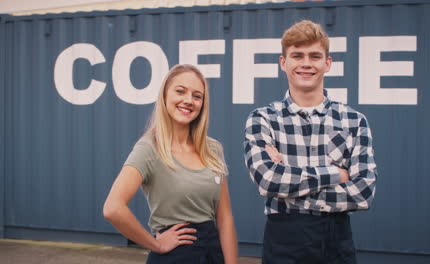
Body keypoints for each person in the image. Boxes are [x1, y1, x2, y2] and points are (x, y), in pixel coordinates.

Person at [243, 20, 378, 264]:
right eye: (297, 55)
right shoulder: (263, 119)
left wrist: (288, 189)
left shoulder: (354, 121)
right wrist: (335, 174)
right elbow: (268, 181)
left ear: (327, 63)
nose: (306, 63)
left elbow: (363, 192)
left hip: (336, 242)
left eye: (315, 56)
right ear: (284, 63)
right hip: (283, 241)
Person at [104, 64, 238, 264]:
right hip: (175, 257)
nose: (188, 100)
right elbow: (113, 208)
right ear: (165, 95)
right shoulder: (149, 148)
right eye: (180, 91)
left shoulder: (213, 149)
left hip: (213, 255)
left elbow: (225, 218)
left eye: (197, 96)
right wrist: (156, 244)